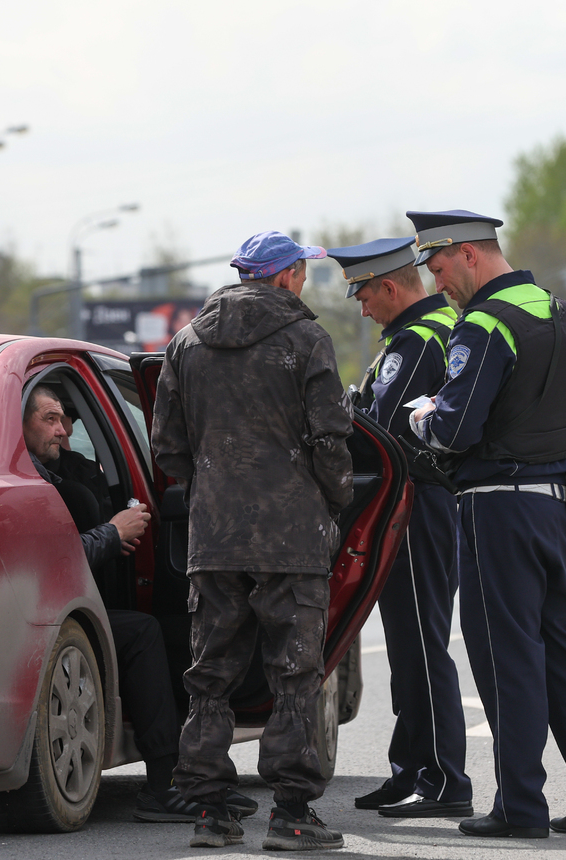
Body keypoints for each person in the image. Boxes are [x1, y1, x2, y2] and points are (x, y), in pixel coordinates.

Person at [406, 210, 566, 839]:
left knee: (508, 659)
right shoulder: (563, 314)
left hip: (498, 505)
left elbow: (454, 429)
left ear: (469, 255)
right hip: (560, 503)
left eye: (440, 265)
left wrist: (424, 414)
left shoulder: (483, 324)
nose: (437, 282)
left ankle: (520, 807)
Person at [151, 231, 354, 850]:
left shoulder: (185, 344)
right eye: (302, 271)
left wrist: (215, 491)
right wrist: (335, 497)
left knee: (209, 676)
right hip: (290, 539)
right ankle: (292, 815)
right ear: (287, 276)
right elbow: (329, 437)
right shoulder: (305, 340)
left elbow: (167, 448)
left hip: (214, 539)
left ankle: (210, 814)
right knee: (295, 675)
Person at [21, 385, 258, 822]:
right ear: (19, 424)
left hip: (49, 613)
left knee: (176, 632)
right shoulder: (21, 483)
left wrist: (111, 529)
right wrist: (110, 534)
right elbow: (48, 567)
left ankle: (198, 777)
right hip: (33, 619)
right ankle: (164, 783)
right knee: (141, 632)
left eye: (66, 418)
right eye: (51, 418)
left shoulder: (59, 472)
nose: (64, 428)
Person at [325, 237, 473, 819]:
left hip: (415, 504)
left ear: (388, 287)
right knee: (410, 643)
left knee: (420, 645)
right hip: (417, 504)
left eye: (363, 294)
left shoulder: (417, 342)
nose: (361, 307)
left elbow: (381, 431)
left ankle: (442, 779)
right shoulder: (425, 333)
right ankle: (410, 768)